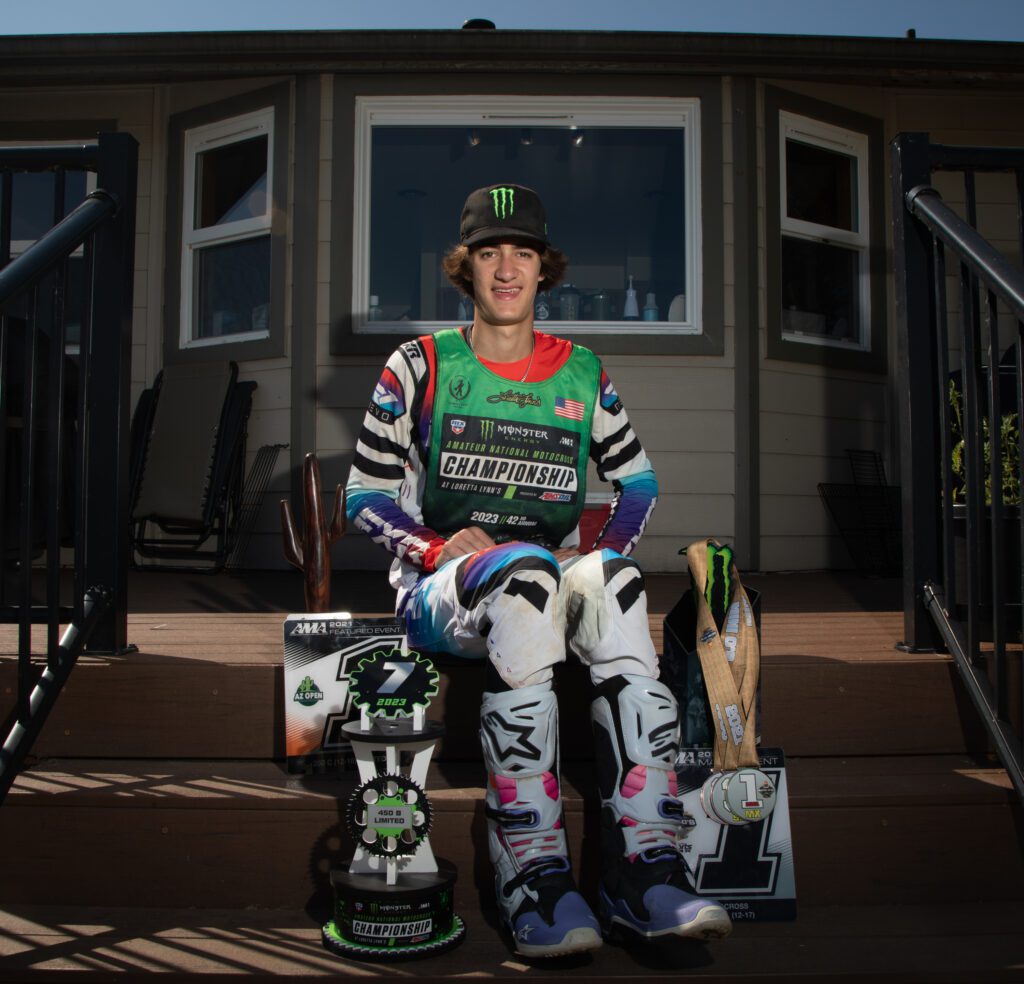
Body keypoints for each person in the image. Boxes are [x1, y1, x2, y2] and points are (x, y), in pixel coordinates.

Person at [345, 183, 731, 957]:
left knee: (613, 583)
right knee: (525, 574)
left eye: (522, 251)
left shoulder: (582, 373)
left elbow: (638, 484)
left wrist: (599, 551)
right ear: (467, 268)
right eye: (489, 252)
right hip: (440, 595)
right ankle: (534, 872)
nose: (507, 268)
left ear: (543, 268)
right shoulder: (418, 365)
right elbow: (363, 494)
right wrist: (433, 546)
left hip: (544, 584)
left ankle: (644, 870)